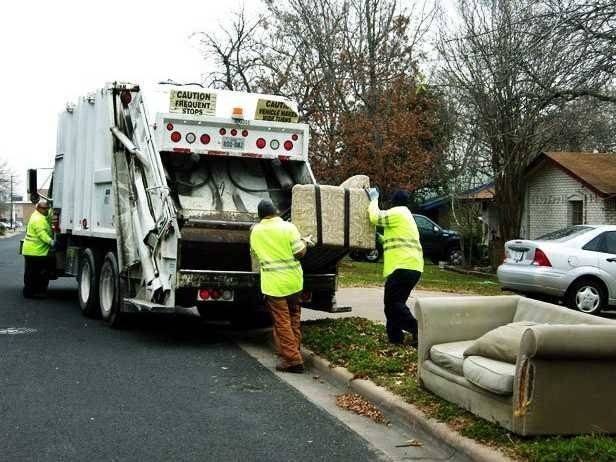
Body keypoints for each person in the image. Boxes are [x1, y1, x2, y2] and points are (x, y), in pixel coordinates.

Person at [250, 199, 313, 373]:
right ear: (276, 211)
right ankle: (292, 354)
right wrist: (306, 242)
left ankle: (292, 360)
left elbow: (255, 255)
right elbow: (299, 252)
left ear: (260, 215)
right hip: (294, 282)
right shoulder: (289, 227)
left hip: (273, 285)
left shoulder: (255, 232)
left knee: (282, 323)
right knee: (293, 318)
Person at [367, 189, 424, 345]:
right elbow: (397, 241)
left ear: (393, 202)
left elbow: (374, 217)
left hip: (403, 267)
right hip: (412, 267)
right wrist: (381, 239)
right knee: (394, 304)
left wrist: (373, 200)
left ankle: (419, 330)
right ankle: (395, 339)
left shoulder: (397, 213)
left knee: (393, 305)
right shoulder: (406, 216)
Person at [22, 200, 55, 298]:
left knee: (31, 273)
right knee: (36, 273)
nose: (47, 210)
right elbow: (42, 234)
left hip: (32, 250)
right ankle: (34, 292)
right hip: (35, 251)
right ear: (39, 208)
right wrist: (51, 242)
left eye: (47, 208)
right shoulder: (38, 219)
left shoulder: (38, 215)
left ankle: (29, 292)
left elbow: (49, 215)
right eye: (45, 208)